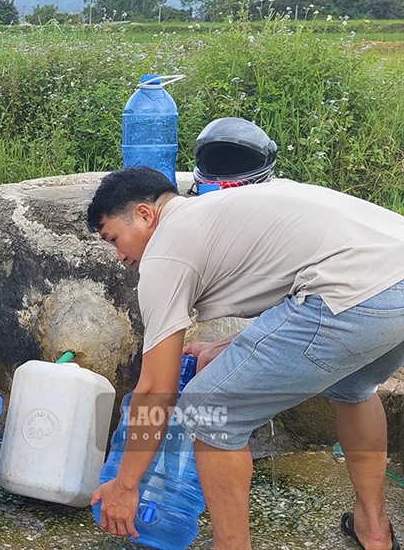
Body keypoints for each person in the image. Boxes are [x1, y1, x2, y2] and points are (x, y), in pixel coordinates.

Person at [86, 166, 403, 550]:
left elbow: (156, 389)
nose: (120, 256)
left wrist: (126, 484)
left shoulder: (165, 251)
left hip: (356, 294)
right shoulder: (222, 209)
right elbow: (294, 293)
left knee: (208, 408)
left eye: (114, 239)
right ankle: (374, 529)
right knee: (352, 386)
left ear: (144, 214)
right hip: (389, 280)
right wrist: (225, 347)